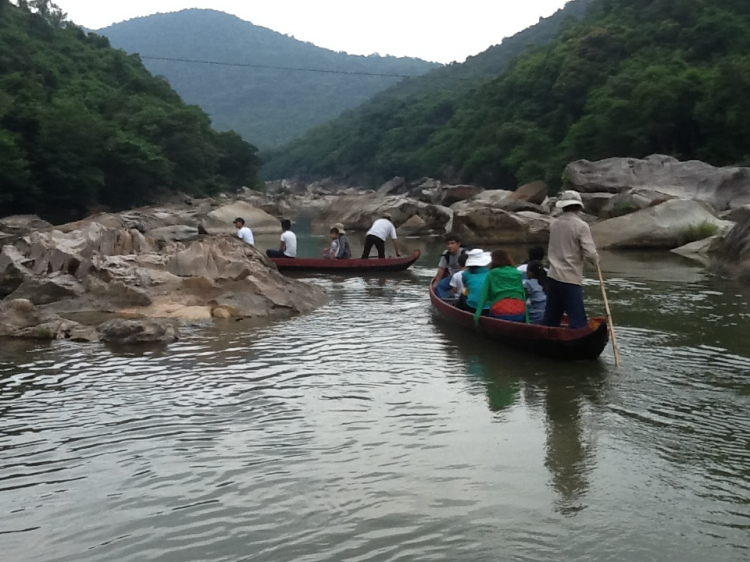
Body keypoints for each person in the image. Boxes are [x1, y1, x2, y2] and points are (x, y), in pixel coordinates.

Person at [542, 190, 599, 329]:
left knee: (551, 319)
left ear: (562, 206)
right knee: (578, 320)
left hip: (553, 276)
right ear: (579, 207)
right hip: (570, 279)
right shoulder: (581, 226)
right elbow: (590, 253)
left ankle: (547, 341)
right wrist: (596, 261)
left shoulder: (554, 224)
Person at [475, 249, 527, 324]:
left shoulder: (492, 273)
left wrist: (477, 317)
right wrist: (527, 319)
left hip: (500, 312)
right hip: (520, 311)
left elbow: (484, 295)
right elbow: (523, 294)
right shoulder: (517, 273)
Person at [434, 233, 467, 299]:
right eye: (448, 244)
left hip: (465, 276)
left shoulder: (465, 253)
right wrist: (436, 283)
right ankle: (445, 301)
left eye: (452, 243)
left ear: (458, 244)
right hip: (452, 277)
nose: (450, 246)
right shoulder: (446, 254)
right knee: (440, 286)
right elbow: (441, 269)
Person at [524, 260, 548, 324]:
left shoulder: (528, 283)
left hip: (537, 317)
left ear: (530, 273)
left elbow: (523, 298)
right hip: (549, 315)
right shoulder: (548, 282)